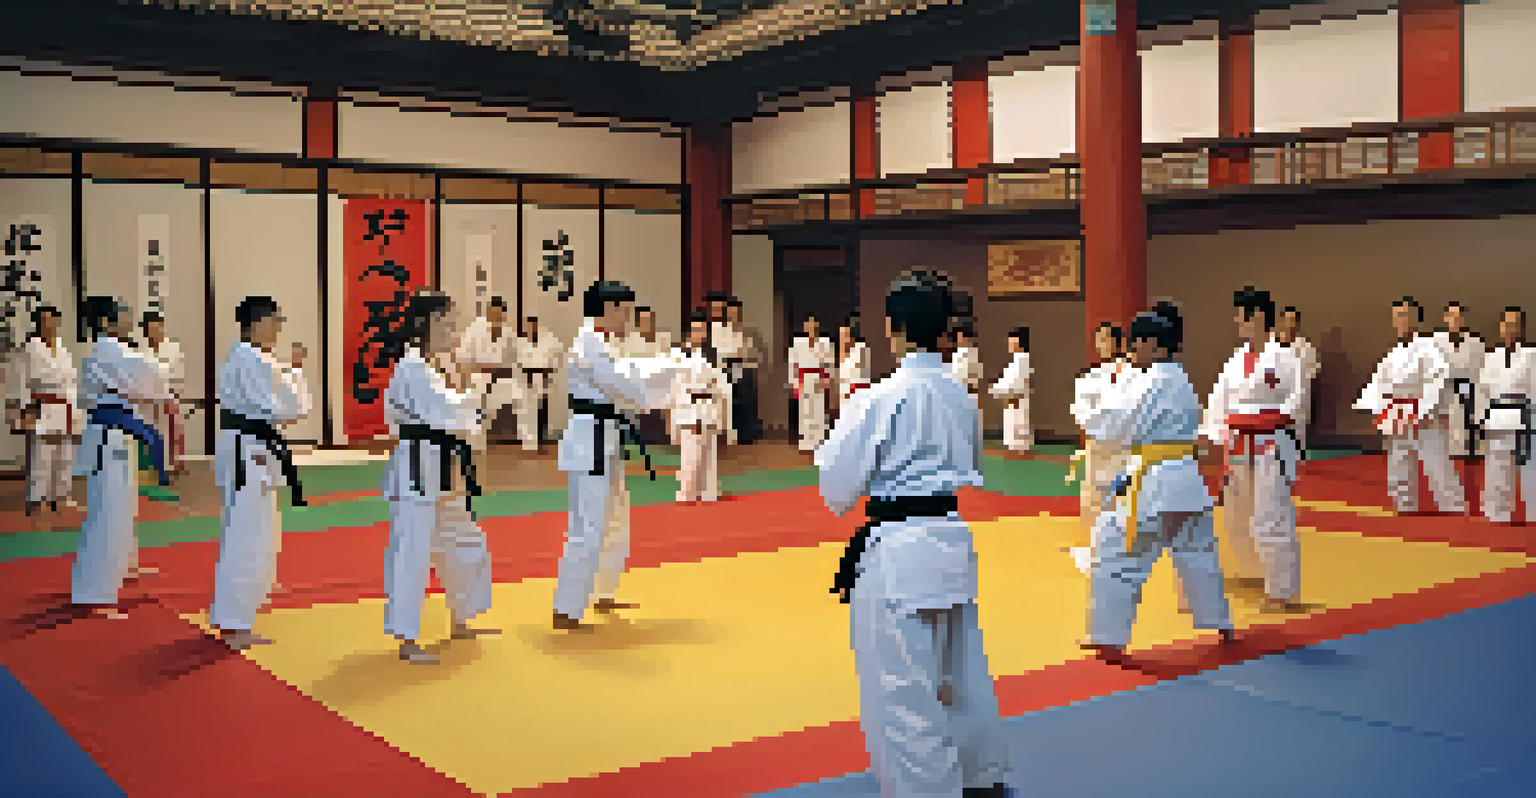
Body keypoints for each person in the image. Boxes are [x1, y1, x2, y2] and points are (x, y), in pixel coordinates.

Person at [820, 269, 1012, 798]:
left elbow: (835, 484)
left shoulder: (879, 398)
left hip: (898, 551)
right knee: (962, 672)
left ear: (893, 327)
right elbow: (971, 463)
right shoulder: (963, 398)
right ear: (944, 329)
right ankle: (981, 776)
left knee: (903, 692)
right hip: (951, 538)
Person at [1079, 302, 1238, 660]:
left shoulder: (1146, 382)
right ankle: (1222, 623)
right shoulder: (1182, 380)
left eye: (1137, 343)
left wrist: (1085, 408)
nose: (1132, 350)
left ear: (1155, 345)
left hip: (1151, 481)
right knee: (1199, 552)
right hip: (1185, 478)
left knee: (1119, 554)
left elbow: (1110, 422)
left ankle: (1107, 636)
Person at [552, 281, 692, 631]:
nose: (627, 318)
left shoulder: (603, 343)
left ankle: (603, 592)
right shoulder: (588, 343)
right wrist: (671, 371)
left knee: (615, 519)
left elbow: (629, 374)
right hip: (590, 441)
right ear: (607, 308)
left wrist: (668, 366)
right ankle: (566, 609)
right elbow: (623, 384)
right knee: (588, 525)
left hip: (606, 439)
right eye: (624, 311)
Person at [380, 290, 498, 662]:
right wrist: (473, 397)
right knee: (411, 549)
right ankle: (407, 638)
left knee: (464, 538)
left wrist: (468, 401)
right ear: (430, 321)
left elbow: (454, 413)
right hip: (418, 463)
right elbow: (443, 411)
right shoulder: (412, 365)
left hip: (444, 464)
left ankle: (462, 617)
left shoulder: (435, 366)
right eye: (449, 318)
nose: (454, 325)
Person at [209, 297, 312, 650]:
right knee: (245, 535)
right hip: (246, 450)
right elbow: (290, 409)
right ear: (256, 324)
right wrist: (295, 372)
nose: (279, 328)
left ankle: (242, 609)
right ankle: (234, 622)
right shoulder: (250, 360)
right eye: (275, 321)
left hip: (253, 447)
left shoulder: (254, 359)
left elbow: (290, 406)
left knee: (259, 531)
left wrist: (292, 372)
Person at [1202, 287, 1305, 613]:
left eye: (1240, 315)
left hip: (1272, 442)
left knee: (1272, 513)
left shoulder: (1286, 358)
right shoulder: (1234, 361)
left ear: (1257, 316)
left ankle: (1282, 591)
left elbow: (1298, 401)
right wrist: (1210, 436)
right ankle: (1252, 573)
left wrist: (1268, 418)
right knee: (1236, 512)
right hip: (1238, 443)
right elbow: (1217, 404)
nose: (1237, 321)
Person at [70, 297, 174, 619]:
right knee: (107, 513)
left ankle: (119, 567)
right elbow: (154, 376)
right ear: (105, 322)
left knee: (121, 507)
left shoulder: (115, 350)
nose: (130, 316)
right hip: (109, 435)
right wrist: (159, 362)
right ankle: (94, 593)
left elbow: (146, 379)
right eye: (123, 312)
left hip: (117, 433)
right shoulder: (110, 350)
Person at [1354, 297, 1465, 514]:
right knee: (1398, 462)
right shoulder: (1392, 354)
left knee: (1437, 464)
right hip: (1396, 414)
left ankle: (1453, 507)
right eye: (1397, 317)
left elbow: (1439, 380)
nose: (1400, 321)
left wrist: (1426, 409)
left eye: (1404, 316)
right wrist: (1377, 409)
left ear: (1416, 318)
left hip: (1424, 415)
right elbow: (1378, 384)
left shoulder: (1430, 348)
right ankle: (1405, 506)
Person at [7, 305, 81, 519]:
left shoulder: (63, 349)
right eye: (46, 321)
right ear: (39, 323)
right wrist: (25, 408)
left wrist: (76, 409)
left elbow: (71, 381)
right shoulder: (30, 348)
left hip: (64, 406)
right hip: (42, 405)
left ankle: (60, 496)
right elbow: (21, 381)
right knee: (41, 454)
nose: (50, 325)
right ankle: (38, 499)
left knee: (64, 453)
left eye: (54, 321)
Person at [1070, 322, 1132, 565]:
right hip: (1098, 443)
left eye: (1107, 338)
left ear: (1118, 342)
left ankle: (1122, 547)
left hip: (1124, 444)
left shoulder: (1134, 374)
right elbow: (1080, 410)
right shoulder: (1090, 376)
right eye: (1099, 339)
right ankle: (1098, 546)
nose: (1102, 344)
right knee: (1094, 497)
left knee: (1122, 495)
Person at [1477, 307, 1535, 525]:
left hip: (1523, 414)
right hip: (1497, 414)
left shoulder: (1531, 355)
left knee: (1528, 467)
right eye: (1506, 324)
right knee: (1496, 465)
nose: (1510, 329)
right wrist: (1481, 419)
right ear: (1501, 327)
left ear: (1521, 328)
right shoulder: (1491, 357)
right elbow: (1482, 390)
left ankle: (1532, 513)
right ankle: (1497, 512)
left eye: (1514, 324)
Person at [670, 310, 732, 503]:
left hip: (709, 404)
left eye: (702, 329)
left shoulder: (712, 354)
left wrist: (720, 401)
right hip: (689, 405)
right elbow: (675, 384)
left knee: (709, 450)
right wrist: (676, 414)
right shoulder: (679, 353)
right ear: (688, 331)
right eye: (696, 329)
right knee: (691, 452)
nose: (700, 333)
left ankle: (709, 490)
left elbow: (722, 382)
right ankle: (687, 492)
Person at [453, 296, 516, 451]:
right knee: (477, 390)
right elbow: (462, 357)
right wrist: (480, 367)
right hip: (476, 374)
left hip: (500, 376)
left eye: (500, 317)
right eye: (493, 315)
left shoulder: (508, 333)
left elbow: (513, 359)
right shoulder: (474, 329)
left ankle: (498, 438)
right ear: (487, 313)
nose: (496, 320)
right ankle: (471, 440)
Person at [1433, 302, 1486, 460]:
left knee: (1467, 425)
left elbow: (1480, 371)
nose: (1455, 320)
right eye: (1452, 316)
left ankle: (1468, 453)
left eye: (1458, 317)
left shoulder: (1475, 343)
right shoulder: (1435, 342)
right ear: (1446, 318)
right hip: (1443, 391)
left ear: (1463, 319)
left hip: (1467, 389)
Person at [139, 312, 186, 473]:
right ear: (146, 330)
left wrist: (175, 395)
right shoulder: (140, 349)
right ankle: (151, 466)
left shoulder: (173, 348)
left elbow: (179, 374)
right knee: (150, 433)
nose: (155, 332)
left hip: (168, 396)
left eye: (158, 328)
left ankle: (169, 466)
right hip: (147, 399)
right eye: (151, 329)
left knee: (170, 433)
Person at [1273, 307, 1319, 456]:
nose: (1290, 324)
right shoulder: (1272, 347)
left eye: (1293, 320)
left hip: (1297, 400)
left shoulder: (1306, 348)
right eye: (1287, 320)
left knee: (1296, 435)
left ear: (1297, 324)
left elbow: (1311, 373)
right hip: (1275, 397)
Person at [514, 314, 563, 451]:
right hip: (527, 378)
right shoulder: (520, 342)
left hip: (542, 377)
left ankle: (541, 440)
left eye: (533, 325)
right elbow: (517, 361)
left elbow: (555, 356)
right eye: (528, 326)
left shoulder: (548, 340)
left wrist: (547, 372)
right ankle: (528, 441)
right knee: (527, 411)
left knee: (542, 409)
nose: (531, 328)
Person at [787, 314, 834, 452]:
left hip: (818, 377)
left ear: (817, 327)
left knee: (818, 409)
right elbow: (792, 364)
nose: (812, 328)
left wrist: (827, 378)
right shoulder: (798, 343)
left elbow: (829, 363)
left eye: (814, 325)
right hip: (804, 378)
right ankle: (806, 439)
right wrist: (793, 382)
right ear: (805, 327)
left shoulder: (824, 343)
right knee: (805, 410)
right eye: (809, 325)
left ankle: (819, 439)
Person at [725, 298, 764, 444]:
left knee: (746, 401)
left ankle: (747, 434)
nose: (733, 315)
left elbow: (751, 353)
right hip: (727, 368)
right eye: (731, 312)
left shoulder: (746, 332)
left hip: (744, 368)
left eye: (736, 312)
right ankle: (732, 433)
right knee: (731, 402)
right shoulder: (721, 332)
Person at [989, 326, 1032, 455]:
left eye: (1012, 340)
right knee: (1013, 441)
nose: (1009, 343)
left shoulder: (1022, 360)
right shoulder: (1017, 360)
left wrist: (996, 389)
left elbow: (1014, 385)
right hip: (1012, 404)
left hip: (1016, 403)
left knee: (1017, 443)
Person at [950, 321, 985, 447]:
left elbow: (967, 379)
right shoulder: (960, 354)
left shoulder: (970, 354)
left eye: (960, 336)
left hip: (965, 394)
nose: (958, 339)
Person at [837, 312, 872, 406]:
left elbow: (864, 380)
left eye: (846, 335)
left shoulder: (861, 349)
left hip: (858, 399)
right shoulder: (838, 356)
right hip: (842, 400)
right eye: (842, 336)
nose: (844, 339)